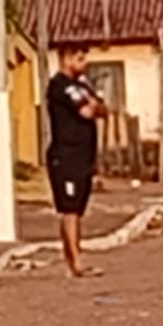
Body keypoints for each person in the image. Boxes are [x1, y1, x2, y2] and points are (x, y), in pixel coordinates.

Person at [46, 45, 107, 278]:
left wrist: (96, 106)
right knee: (69, 210)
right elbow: (87, 112)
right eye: (80, 59)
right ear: (67, 59)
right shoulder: (60, 86)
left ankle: (75, 259)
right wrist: (93, 107)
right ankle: (75, 263)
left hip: (84, 157)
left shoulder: (83, 85)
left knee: (78, 210)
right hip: (66, 156)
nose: (85, 63)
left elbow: (102, 108)